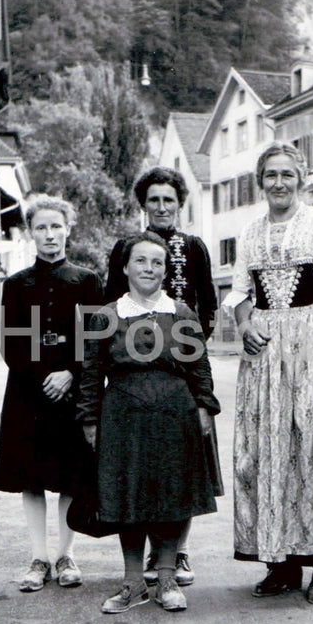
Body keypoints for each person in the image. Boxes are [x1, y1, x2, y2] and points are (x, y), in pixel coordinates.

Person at [223, 142, 313, 605]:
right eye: (271, 175)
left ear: (301, 179)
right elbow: (240, 292)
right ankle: (281, 563)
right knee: (267, 452)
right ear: (260, 181)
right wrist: (245, 323)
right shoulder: (249, 233)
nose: (280, 183)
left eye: (288, 174)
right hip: (265, 356)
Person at [76, 232, 220, 613]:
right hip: (123, 417)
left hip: (177, 416)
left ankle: (168, 578)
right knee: (128, 498)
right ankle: (133, 582)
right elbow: (91, 374)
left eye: (157, 262)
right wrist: (90, 419)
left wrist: (204, 407)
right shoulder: (107, 316)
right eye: (141, 261)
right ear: (125, 267)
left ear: (165, 270)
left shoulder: (182, 313)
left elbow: (199, 368)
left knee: (174, 495)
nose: (149, 269)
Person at [105, 166, 218, 587]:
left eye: (169, 199)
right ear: (143, 204)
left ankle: (177, 553)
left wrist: (187, 350)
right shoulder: (126, 247)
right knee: (140, 464)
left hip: (182, 365)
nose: (162, 206)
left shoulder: (194, 246)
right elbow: (108, 300)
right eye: (154, 199)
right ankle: (145, 560)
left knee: (181, 467)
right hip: (135, 367)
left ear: (180, 203)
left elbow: (207, 303)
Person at [0, 194, 104, 592]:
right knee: (32, 476)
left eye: (56, 226)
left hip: (73, 391)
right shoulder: (16, 284)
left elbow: (95, 337)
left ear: (68, 228)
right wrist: (45, 376)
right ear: (30, 233)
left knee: (71, 475)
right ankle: (39, 557)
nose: (49, 234)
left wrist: (71, 373)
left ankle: (65, 555)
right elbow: (12, 343)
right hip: (29, 391)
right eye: (41, 227)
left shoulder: (87, 280)